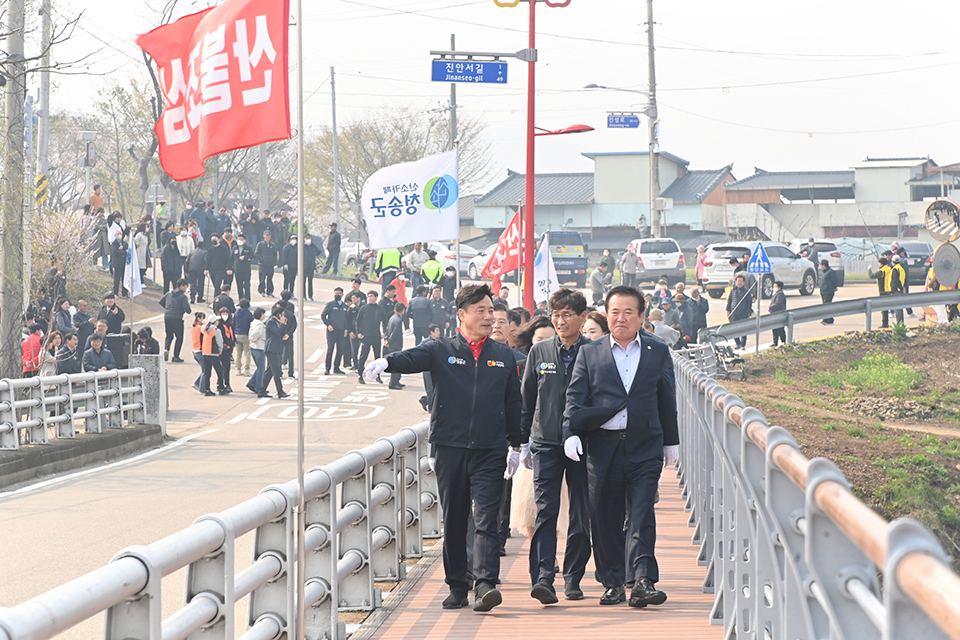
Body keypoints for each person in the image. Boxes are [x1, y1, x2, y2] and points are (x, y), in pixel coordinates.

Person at [363, 284, 523, 612]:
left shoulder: (503, 356)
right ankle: (457, 586)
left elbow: (513, 402)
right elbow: (411, 359)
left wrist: (516, 445)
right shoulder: (440, 349)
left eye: (491, 311)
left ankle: (485, 584)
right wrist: (386, 362)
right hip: (450, 448)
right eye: (481, 311)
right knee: (455, 517)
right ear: (462, 315)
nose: (489, 317)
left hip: (490, 450)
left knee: (487, 518)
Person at [563, 285, 679, 609]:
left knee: (642, 511)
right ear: (606, 314)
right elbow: (575, 398)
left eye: (629, 312)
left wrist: (672, 441)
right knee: (604, 517)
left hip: (645, 446)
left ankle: (642, 579)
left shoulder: (657, 351)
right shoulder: (591, 352)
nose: (621, 318)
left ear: (642, 317)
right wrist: (570, 432)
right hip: (603, 447)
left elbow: (665, 398)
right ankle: (613, 582)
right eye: (615, 312)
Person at [518, 289, 592, 603]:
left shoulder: (596, 351)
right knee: (546, 512)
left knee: (580, 513)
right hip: (545, 443)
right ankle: (544, 578)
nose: (560, 321)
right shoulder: (540, 352)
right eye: (556, 315)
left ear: (583, 317)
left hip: (585, 444)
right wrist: (521, 442)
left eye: (567, 315)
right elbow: (527, 400)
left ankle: (573, 578)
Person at [257, 306, 290, 398]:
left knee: (270, 371)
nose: (283, 316)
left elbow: (282, 333)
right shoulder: (271, 322)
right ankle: (280, 391)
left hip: (277, 348)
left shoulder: (277, 322)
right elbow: (277, 332)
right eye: (282, 315)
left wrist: (284, 324)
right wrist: (282, 324)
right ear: (278, 314)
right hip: (272, 348)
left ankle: (262, 390)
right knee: (276, 371)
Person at [159, 279, 192, 362]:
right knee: (179, 337)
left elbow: (161, 301)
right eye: (185, 286)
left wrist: (167, 308)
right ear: (181, 286)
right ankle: (176, 356)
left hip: (167, 316)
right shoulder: (183, 296)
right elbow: (188, 310)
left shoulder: (169, 293)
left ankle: (166, 349)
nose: (186, 288)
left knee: (169, 335)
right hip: (177, 318)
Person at [355, 290, 384, 384]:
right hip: (366, 336)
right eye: (368, 296)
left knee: (378, 357)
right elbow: (357, 321)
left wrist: (384, 332)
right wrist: (358, 332)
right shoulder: (363, 308)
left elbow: (385, 322)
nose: (370, 298)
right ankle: (360, 375)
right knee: (363, 356)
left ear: (376, 297)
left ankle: (377, 376)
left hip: (376, 336)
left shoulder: (379, 309)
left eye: (372, 296)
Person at [321, 287, 349, 375]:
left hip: (341, 331)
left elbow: (347, 319)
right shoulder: (330, 304)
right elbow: (323, 315)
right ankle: (327, 368)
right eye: (336, 293)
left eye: (339, 293)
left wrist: (346, 329)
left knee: (340, 350)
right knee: (330, 349)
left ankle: (336, 367)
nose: (337, 295)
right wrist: (328, 324)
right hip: (332, 331)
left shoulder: (345, 306)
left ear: (342, 295)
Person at [198, 317, 226, 396]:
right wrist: (220, 349)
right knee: (220, 371)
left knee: (207, 373)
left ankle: (207, 389)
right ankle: (221, 387)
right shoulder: (216, 330)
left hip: (205, 353)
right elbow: (220, 341)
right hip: (213, 353)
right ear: (215, 321)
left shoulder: (206, 329)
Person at [726, 274, 754, 349]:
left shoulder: (747, 291)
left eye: (741, 281)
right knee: (734, 330)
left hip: (743, 313)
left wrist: (748, 311)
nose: (739, 283)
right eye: (738, 281)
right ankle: (737, 343)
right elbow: (729, 301)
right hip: (734, 313)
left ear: (744, 282)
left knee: (743, 329)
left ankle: (743, 344)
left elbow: (749, 302)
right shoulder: (733, 290)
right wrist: (728, 311)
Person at [382, 303, 406, 390]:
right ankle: (393, 382)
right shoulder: (399, 320)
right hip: (395, 344)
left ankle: (397, 381)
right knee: (396, 363)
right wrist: (390, 341)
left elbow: (388, 330)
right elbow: (395, 333)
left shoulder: (392, 318)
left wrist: (386, 339)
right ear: (403, 310)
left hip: (391, 343)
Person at [247, 308, 267, 393]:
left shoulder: (254, 322)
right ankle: (259, 387)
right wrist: (253, 339)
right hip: (259, 348)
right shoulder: (260, 325)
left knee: (260, 368)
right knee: (261, 369)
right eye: (263, 314)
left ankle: (252, 383)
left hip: (254, 348)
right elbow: (253, 335)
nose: (264, 316)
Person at [279, 290, 298, 378]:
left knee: (278, 354)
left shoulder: (277, 312)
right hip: (289, 336)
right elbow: (294, 325)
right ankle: (291, 372)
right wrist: (289, 334)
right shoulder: (291, 313)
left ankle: (279, 372)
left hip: (279, 335)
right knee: (290, 355)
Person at [255, 230, 279, 297]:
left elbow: (275, 254)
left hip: (270, 265)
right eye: (266, 235)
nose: (268, 237)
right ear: (264, 236)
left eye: (269, 235)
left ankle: (269, 291)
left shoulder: (272, 245)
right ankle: (261, 290)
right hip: (262, 265)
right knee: (262, 279)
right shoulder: (260, 244)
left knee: (270, 279)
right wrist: (262, 260)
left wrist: (274, 262)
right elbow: (257, 254)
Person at [216, 311, 235, 393]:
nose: (225, 316)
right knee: (224, 367)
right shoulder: (219, 325)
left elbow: (232, 334)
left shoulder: (230, 324)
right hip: (223, 348)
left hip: (230, 348)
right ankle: (224, 384)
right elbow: (221, 337)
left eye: (226, 313)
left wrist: (234, 342)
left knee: (226, 367)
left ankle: (225, 384)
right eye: (223, 314)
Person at [234, 299, 254, 375]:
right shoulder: (249, 314)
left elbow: (233, 323)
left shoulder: (236, 313)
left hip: (237, 334)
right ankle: (246, 369)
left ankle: (238, 369)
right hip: (245, 334)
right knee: (247, 352)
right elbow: (252, 323)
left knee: (238, 353)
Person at [232, 233, 254, 301]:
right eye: (238, 239)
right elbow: (231, 258)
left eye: (241, 239)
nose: (239, 241)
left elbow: (253, 257)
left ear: (245, 240)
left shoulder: (248, 248)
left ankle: (247, 300)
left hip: (246, 270)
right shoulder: (234, 248)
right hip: (237, 270)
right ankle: (241, 300)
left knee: (246, 285)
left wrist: (246, 258)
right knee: (239, 286)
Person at [302, 233, 323, 300]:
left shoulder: (313, 246)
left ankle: (310, 295)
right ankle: (303, 295)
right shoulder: (302, 246)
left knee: (310, 281)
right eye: (307, 238)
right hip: (304, 266)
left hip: (311, 266)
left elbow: (319, 251)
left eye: (309, 238)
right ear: (304, 239)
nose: (308, 240)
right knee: (303, 281)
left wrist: (314, 256)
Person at [110, 229, 129, 298]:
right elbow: (115, 252)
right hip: (117, 264)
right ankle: (115, 292)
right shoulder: (114, 244)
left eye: (120, 234)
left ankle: (125, 293)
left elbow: (127, 249)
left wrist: (122, 248)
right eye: (118, 234)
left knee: (125, 278)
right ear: (115, 235)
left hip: (124, 263)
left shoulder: (124, 243)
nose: (119, 235)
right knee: (117, 279)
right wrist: (123, 252)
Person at [819, 259, 839, 325]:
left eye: (821, 265)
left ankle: (825, 319)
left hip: (828, 291)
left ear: (824, 265)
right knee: (827, 305)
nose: (821, 266)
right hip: (824, 291)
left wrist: (835, 287)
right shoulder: (824, 272)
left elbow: (835, 280)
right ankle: (830, 319)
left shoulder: (830, 272)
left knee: (826, 305)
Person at [768, 281, 787, 346]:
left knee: (780, 328)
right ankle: (775, 342)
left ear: (779, 287)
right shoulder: (776, 294)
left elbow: (778, 303)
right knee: (774, 328)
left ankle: (783, 341)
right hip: (774, 314)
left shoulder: (780, 294)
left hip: (779, 314)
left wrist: (771, 307)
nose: (773, 288)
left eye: (775, 286)